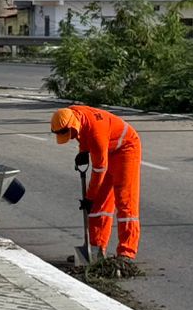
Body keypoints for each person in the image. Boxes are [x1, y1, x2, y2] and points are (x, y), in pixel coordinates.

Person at [50, 105, 142, 260]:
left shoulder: (96, 133)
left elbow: (100, 169)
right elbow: (83, 134)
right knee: (99, 204)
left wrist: (89, 197)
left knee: (124, 200)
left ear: (73, 125)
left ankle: (127, 252)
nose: (71, 138)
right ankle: (95, 250)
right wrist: (83, 151)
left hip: (126, 148)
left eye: (70, 135)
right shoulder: (74, 113)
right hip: (108, 149)